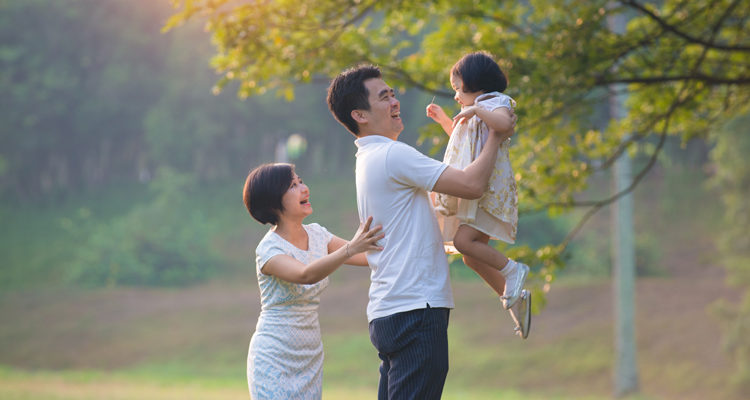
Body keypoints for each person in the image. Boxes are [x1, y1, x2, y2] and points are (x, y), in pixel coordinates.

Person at [326, 64, 523, 400]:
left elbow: (455, 182)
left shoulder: (369, 158)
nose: (394, 102)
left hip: (388, 311)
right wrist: (495, 135)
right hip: (417, 310)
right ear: (359, 114)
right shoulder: (392, 155)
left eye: (393, 94)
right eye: (384, 97)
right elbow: (472, 185)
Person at [242, 163, 383, 400]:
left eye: (300, 181)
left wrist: (424, 245)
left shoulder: (318, 234)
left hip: (310, 356)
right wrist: (350, 248)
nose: (304, 189)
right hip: (274, 357)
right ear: (272, 202)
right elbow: (305, 275)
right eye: (292, 186)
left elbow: (368, 257)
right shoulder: (268, 249)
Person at [426, 51, 531, 338]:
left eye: (459, 89)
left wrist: (475, 110)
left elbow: (501, 124)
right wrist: (445, 120)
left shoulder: (496, 103)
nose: (457, 95)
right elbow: (465, 144)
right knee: (471, 256)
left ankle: (512, 270)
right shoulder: (478, 110)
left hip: (487, 189)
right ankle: (514, 300)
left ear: (477, 84)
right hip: (475, 188)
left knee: (464, 241)